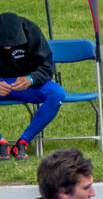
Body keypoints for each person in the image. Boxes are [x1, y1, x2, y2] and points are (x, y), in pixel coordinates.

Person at [0, 12, 66, 161]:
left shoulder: (32, 31)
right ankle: (1, 143)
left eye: (12, 43)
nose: (7, 47)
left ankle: (23, 141)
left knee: (57, 93)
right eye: (3, 43)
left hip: (26, 85)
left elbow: (47, 67)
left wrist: (31, 79)